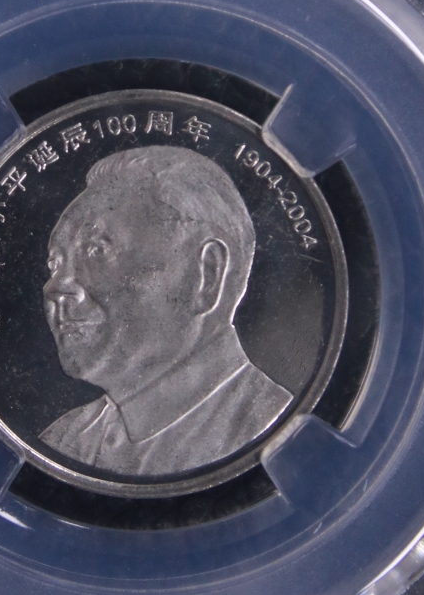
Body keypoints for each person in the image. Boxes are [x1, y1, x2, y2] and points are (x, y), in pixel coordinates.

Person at [40, 145, 291, 478]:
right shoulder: (63, 442)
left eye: (95, 251)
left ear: (207, 274)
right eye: (55, 263)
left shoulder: (280, 433)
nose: (55, 287)